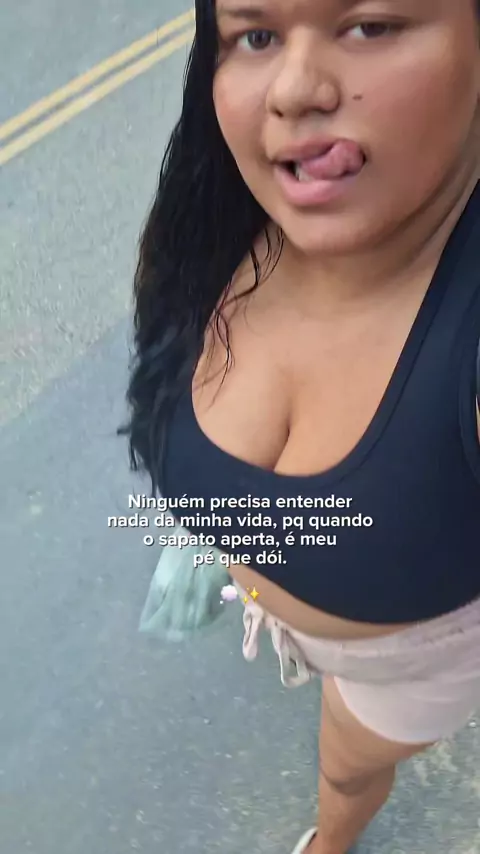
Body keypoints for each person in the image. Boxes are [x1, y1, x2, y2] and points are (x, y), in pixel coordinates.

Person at [119, 1, 480, 851]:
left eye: (370, 25)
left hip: (403, 665)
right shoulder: (216, 216)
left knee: (346, 767)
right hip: (273, 585)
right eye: (256, 36)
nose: (293, 89)